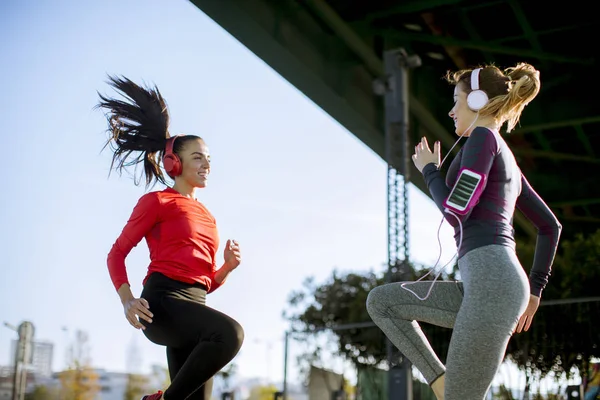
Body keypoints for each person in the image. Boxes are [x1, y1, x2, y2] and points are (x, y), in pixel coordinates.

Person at [366, 63, 562, 400]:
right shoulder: (504, 155)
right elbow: (550, 226)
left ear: (478, 101)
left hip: (492, 284)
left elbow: (456, 211)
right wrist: (532, 291)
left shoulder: (484, 138)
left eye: (457, 100)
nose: (451, 110)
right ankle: (439, 379)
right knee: (382, 302)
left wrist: (430, 171)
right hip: (483, 285)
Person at [97, 76, 245, 400]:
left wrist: (227, 268)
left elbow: (204, 282)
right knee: (231, 334)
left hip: (195, 308)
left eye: (209, 158)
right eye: (197, 157)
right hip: (162, 306)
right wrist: (127, 300)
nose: (207, 164)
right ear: (174, 163)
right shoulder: (157, 202)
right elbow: (116, 254)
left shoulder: (208, 216)